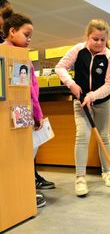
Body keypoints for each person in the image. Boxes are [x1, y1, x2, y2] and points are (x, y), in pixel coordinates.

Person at [55, 19, 110, 196]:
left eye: (102, 40)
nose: (98, 43)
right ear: (87, 36)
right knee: (82, 136)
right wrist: (71, 84)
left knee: (104, 136)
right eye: (95, 39)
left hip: (102, 102)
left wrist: (93, 95)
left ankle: (107, 172)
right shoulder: (78, 50)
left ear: (106, 39)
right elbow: (60, 68)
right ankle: (80, 178)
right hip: (80, 102)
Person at [2, 13, 55, 207]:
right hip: (22, 112)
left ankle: (21, 193)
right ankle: (24, 194)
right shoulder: (16, 55)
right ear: (12, 31)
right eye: (26, 34)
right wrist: (37, 114)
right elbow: (28, 90)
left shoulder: (11, 53)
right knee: (23, 156)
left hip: (16, 112)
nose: (29, 39)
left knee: (20, 156)